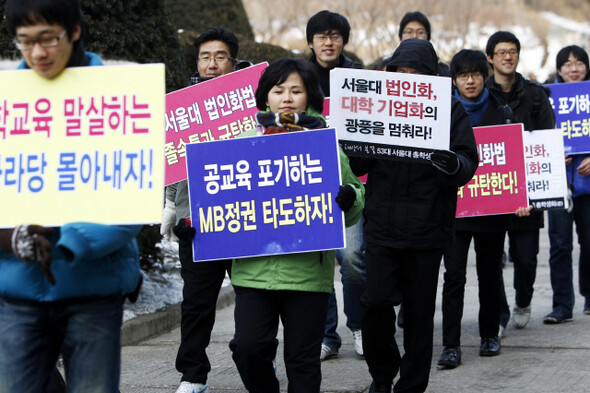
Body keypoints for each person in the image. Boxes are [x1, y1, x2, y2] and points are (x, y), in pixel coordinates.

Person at [0, 1, 142, 392]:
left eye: (48, 38)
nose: (38, 53)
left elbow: (134, 190)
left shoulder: (119, 95)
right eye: (25, 42)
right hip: (17, 288)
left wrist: (69, 237)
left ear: (75, 31)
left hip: (92, 289)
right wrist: (11, 237)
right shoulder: (6, 100)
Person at [227, 57, 365, 393]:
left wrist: (349, 198)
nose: (286, 97)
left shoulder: (324, 142)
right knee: (247, 349)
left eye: (295, 90)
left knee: (302, 364)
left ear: (310, 98)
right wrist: (194, 225)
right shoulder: (244, 140)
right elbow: (221, 197)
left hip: (307, 275)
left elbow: (354, 197)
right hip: (253, 271)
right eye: (278, 90)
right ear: (265, 97)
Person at [353, 39, 478, 393]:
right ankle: (382, 373)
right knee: (375, 304)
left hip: (428, 227)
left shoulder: (450, 110)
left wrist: (454, 164)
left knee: (420, 317)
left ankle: (411, 385)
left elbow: (468, 160)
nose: (406, 79)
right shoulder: (375, 106)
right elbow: (360, 163)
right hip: (381, 227)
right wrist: (351, 143)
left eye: (415, 73)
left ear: (430, 77)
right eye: (400, 72)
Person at [159, 27, 249, 393]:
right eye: (205, 57)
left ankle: (258, 358)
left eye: (220, 56)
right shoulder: (182, 106)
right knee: (196, 302)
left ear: (234, 60)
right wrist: (169, 203)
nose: (212, 64)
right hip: (196, 223)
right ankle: (193, 373)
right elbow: (171, 158)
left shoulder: (252, 103)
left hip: (246, 220)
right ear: (196, 62)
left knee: (253, 297)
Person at [437, 50, 509, 369]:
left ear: (485, 76)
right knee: (453, 276)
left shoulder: (503, 111)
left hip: (492, 208)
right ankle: (451, 344)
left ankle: (489, 336)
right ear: (454, 79)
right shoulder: (441, 113)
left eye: (476, 74)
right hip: (454, 209)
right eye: (463, 75)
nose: (470, 80)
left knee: (490, 274)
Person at [305, 9, 367, 361]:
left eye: (335, 36)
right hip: (310, 179)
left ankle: (358, 325)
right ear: (310, 41)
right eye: (321, 36)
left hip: (351, 179)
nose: (328, 42)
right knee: (321, 259)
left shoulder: (357, 75)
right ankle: (327, 335)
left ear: (343, 40)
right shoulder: (300, 76)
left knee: (354, 258)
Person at [485, 31, 555, 331]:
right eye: (500, 52)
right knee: (490, 262)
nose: (507, 56)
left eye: (512, 51)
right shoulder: (481, 94)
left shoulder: (535, 94)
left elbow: (547, 142)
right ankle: (499, 314)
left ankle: (523, 301)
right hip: (493, 193)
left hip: (529, 193)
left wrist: (530, 194)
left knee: (526, 260)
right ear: (490, 57)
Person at [544, 45, 590, 324]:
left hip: (587, 183)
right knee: (560, 244)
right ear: (559, 69)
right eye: (568, 64)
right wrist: (551, 154)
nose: (574, 68)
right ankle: (562, 304)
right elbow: (534, 134)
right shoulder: (546, 97)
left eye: (579, 63)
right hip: (557, 184)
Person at [397, 11, 450, 77]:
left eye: (420, 32)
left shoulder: (442, 71)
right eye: (409, 32)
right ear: (400, 37)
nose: (414, 36)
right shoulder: (388, 67)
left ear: (428, 38)